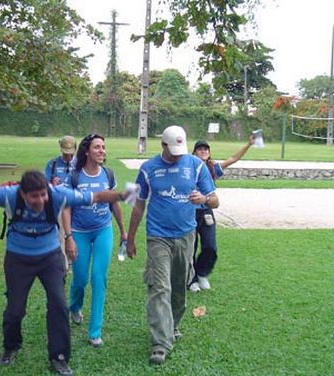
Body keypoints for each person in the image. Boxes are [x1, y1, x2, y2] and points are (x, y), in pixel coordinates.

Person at [0, 167, 128, 375]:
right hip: (18, 258)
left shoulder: (58, 194)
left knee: (59, 305)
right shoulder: (9, 196)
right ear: (22, 194)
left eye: (43, 195)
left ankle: (59, 357)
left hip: (50, 257)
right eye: (34, 196)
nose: (40, 200)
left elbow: (95, 196)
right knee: (15, 310)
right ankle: (11, 346)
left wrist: (121, 195)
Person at [126, 125, 219, 365]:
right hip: (157, 236)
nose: (178, 155)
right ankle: (160, 343)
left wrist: (204, 199)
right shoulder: (148, 169)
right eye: (173, 149)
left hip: (186, 235)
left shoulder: (196, 165)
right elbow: (137, 204)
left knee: (179, 287)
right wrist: (130, 237)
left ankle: (172, 326)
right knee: (159, 287)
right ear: (163, 145)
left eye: (181, 150)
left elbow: (216, 200)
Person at [62, 134, 127, 348]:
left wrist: (123, 231)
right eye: (97, 147)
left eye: (104, 147)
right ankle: (74, 306)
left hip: (103, 231)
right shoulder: (74, 176)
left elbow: (114, 204)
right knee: (80, 279)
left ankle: (95, 332)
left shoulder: (107, 174)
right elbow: (66, 207)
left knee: (99, 278)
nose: (102, 151)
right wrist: (69, 237)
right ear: (87, 151)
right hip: (79, 233)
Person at [189, 135, 255, 292]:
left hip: (206, 210)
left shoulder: (212, 168)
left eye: (206, 149)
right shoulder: (188, 167)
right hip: (190, 212)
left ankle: (202, 273)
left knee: (210, 246)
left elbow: (232, 159)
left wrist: (248, 144)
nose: (203, 151)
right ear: (194, 152)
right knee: (190, 248)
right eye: (200, 149)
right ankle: (190, 279)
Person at [44, 136, 77, 270]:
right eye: (65, 153)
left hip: (76, 204)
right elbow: (43, 184)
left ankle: (73, 260)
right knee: (61, 235)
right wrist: (51, 183)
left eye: (71, 154)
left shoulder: (81, 164)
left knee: (75, 233)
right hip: (60, 206)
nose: (68, 156)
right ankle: (63, 265)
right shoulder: (52, 164)